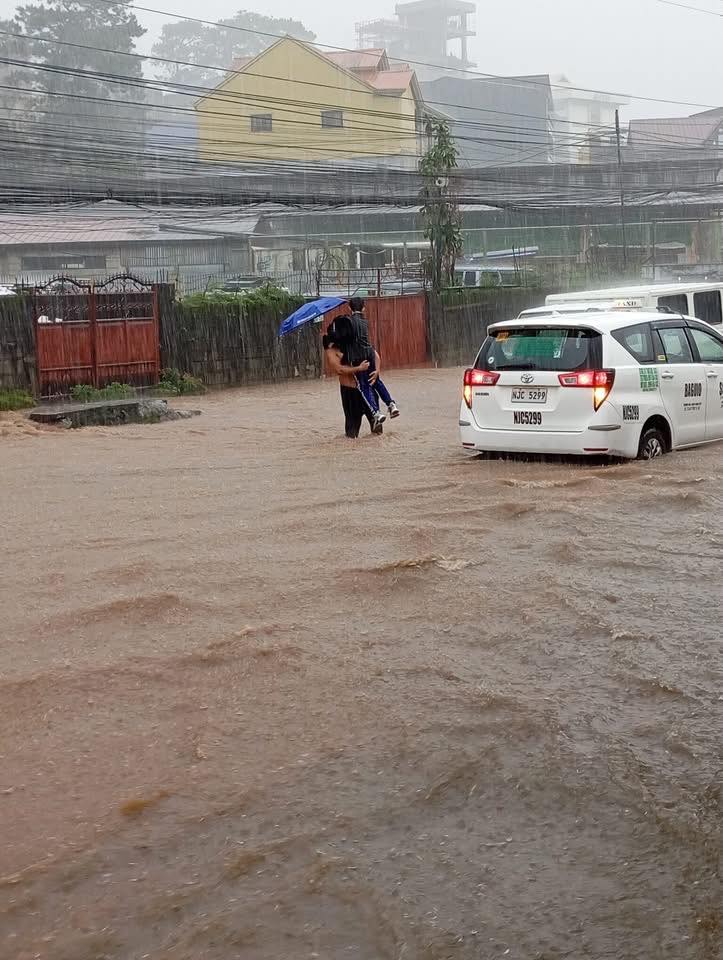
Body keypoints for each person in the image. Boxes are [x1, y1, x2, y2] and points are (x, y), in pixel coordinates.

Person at [323, 317, 383, 438]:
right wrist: (358, 369)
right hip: (350, 392)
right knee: (352, 432)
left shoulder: (357, 343)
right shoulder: (332, 350)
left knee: (377, 428)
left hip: (367, 388)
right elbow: (339, 369)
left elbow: (375, 355)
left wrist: (377, 371)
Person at [346, 297, 400, 422]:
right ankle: (391, 404)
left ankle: (376, 412)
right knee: (376, 381)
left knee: (364, 386)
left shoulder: (349, 322)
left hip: (358, 358)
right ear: (363, 308)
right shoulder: (365, 322)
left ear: (349, 308)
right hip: (370, 354)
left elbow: (347, 338)